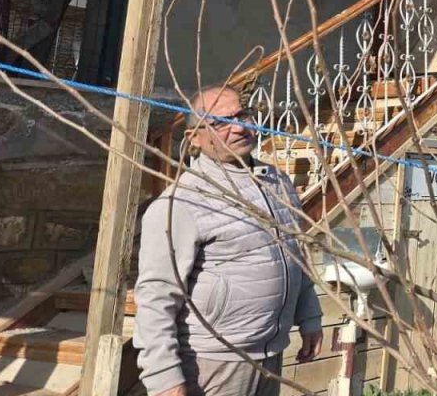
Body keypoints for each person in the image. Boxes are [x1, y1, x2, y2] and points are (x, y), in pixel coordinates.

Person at [135, 86, 324, 396]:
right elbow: (156, 296)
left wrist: (309, 316)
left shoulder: (278, 182)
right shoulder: (181, 203)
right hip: (213, 363)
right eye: (221, 122)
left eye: (242, 115)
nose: (238, 127)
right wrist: (164, 378)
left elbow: (294, 256)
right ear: (195, 138)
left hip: (271, 354)